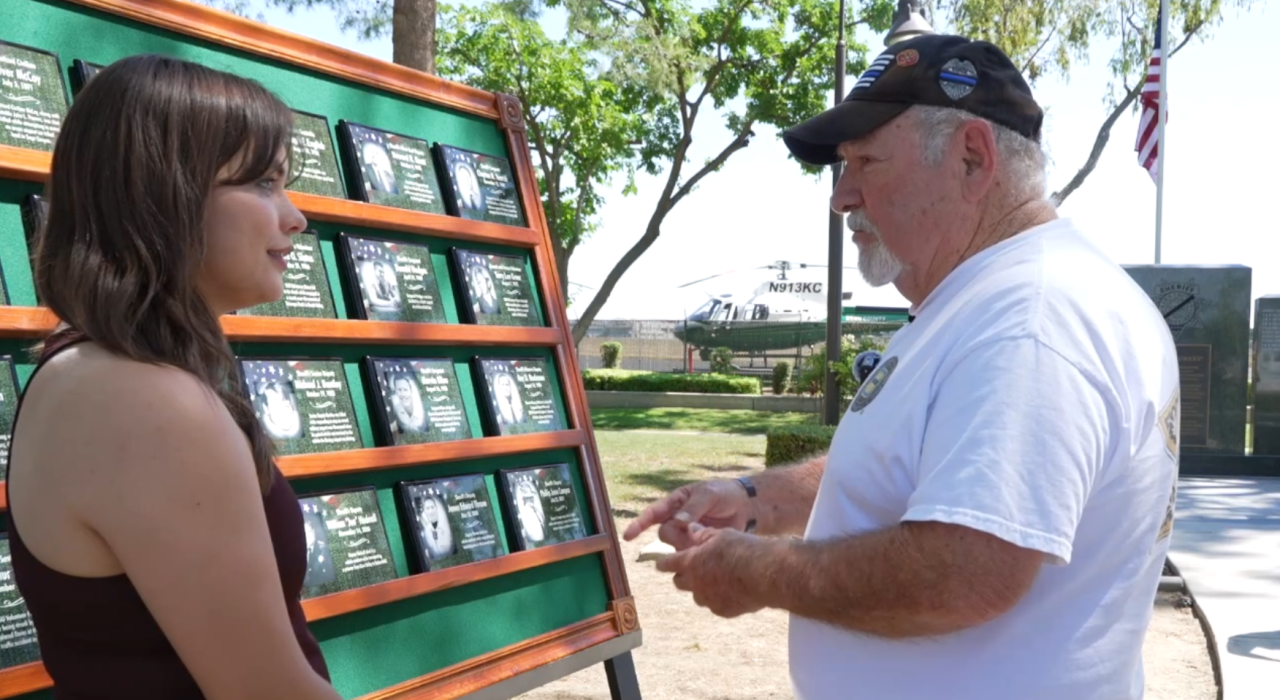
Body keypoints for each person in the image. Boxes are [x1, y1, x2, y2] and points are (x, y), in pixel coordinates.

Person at [626, 33, 1181, 700]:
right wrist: (757, 501)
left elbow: (966, 572)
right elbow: (935, 461)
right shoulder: (982, 302)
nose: (842, 196)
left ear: (973, 158)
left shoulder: (1030, 318)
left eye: (865, 161)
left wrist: (759, 573)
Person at [5, 55, 342, 699]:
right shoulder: (139, 397)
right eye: (265, 184)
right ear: (167, 192)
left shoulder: (104, 372)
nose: (295, 217)